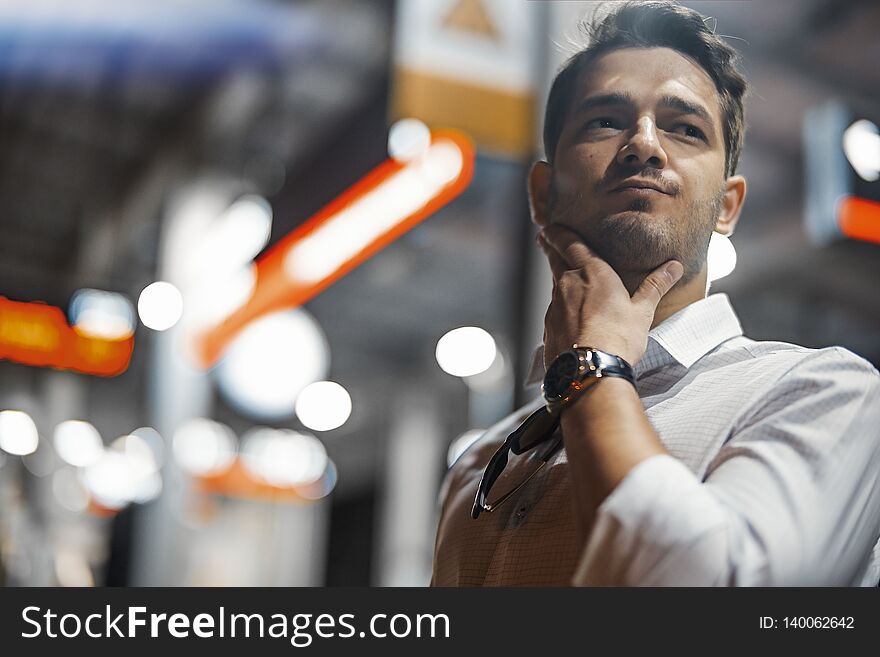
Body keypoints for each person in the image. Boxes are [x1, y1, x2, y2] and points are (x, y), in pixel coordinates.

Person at [430, 0, 880, 587]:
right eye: (604, 121)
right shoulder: (479, 462)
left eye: (685, 128)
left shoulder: (823, 395)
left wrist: (591, 370)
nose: (644, 143)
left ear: (727, 206)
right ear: (543, 194)